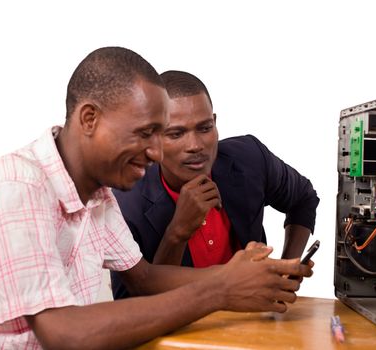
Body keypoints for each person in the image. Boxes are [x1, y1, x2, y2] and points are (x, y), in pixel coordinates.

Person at [0, 47, 313, 350]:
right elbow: (63, 334)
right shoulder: (14, 186)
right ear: (89, 119)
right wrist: (220, 289)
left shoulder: (99, 194)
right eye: (147, 133)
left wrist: (244, 275)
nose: (155, 153)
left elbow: (145, 278)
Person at [111, 70, 320, 299]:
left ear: (215, 123)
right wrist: (177, 232)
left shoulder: (249, 158)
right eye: (176, 133)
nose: (195, 145)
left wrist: (285, 269)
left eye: (204, 128)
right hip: (180, 329)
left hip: (254, 321)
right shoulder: (125, 203)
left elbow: (303, 197)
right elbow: (133, 307)